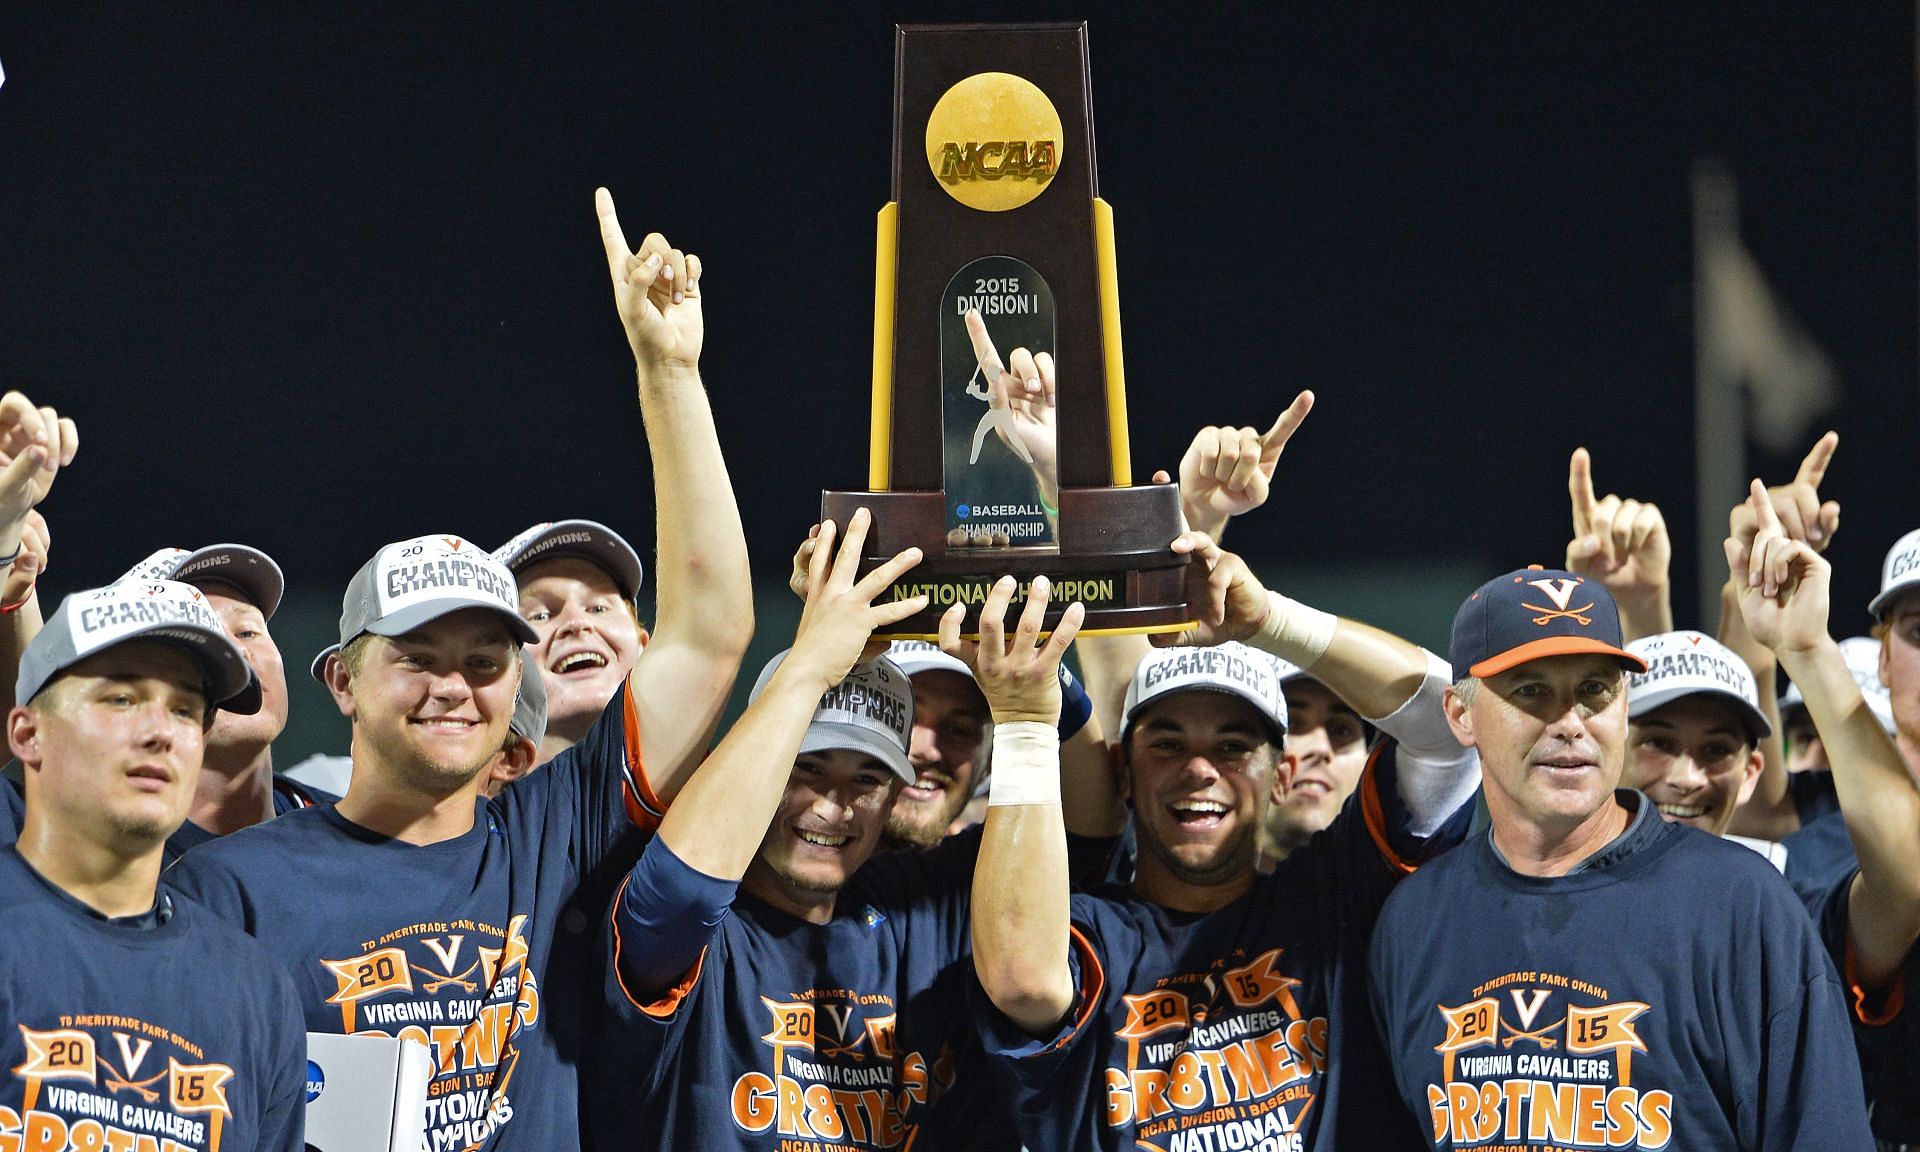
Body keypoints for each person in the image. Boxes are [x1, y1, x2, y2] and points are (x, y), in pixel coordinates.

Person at [165, 196, 754, 1152]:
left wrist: (668, 369)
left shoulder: (551, 836)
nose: (455, 687)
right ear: (343, 684)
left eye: (484, 663)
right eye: (417, 659)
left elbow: (712, 633)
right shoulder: (229, 888)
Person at [967, 531, 1480, 1151]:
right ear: (1125, 775)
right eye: (1167, 743)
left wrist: (1272, 621)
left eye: (1234, 746)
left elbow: (1451, 731)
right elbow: (1023, 982)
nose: (1200, 769)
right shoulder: (1089, 933)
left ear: (1281, 776)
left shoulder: (1335, 902)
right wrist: (1024, 723)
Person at [1369, 563, 1872, 1149]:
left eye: (1594, 692)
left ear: (1623, 706)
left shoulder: (1741, 904)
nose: (1570, 724)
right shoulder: (1413, 921)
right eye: (1531, 691)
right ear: (1460, 714)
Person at [592, 512, 1054, 1150]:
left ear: (895, 791)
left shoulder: (921, 910)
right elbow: (681, 892)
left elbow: (1090, 831)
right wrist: (810, 665)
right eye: (807, 768)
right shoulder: (696, 933)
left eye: (867, 778)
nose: (834, 806)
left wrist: (991, 612)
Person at [2, 579, 305, 1152]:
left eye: (186, 709)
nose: (161, 732)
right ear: (28, 732)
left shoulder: (256, 989)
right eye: (120, 699)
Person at [109, 544, 334, 864]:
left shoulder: (351, 830)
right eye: (204, 637)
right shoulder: (103, 864)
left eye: (248, 631)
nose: (239, 653)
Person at [494, 518, 647, 765]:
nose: (576, 622)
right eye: (540, 615)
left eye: (598, 608)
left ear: (645, 647)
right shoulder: (463, 802)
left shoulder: (710, 783)